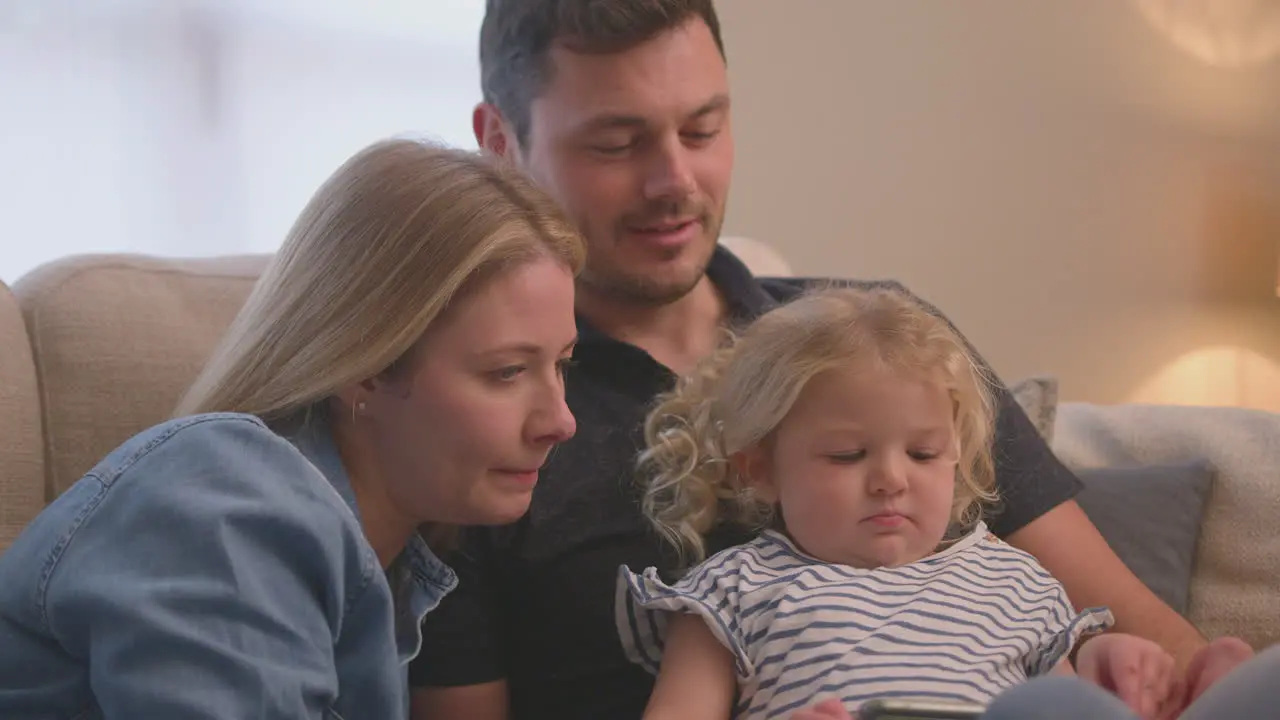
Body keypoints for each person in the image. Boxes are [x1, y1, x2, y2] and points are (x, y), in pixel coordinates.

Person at [410, 2, 1248, 718]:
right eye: (616, 143)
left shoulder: (888, 338)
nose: (676, 180)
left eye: (703, 128)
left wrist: (1183, 673)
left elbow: (1134, 628)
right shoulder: (483, 417)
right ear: (500, 140)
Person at [0, 139, 584, 719]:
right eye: (506, 372)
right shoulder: (227, 508)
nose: (561, 421)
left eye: (561, 364)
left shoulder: (390, 559)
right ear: (366, 368)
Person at [617, 286, 1279, 720]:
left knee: (1060, 706)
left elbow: (1064, 693)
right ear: (760, 470)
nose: (890, 480)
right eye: (848, 456)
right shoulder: (732, 591)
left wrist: (1114, 671)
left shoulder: (1017, 583)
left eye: (923, 454)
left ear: (956, 458)